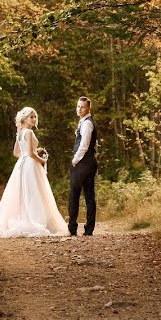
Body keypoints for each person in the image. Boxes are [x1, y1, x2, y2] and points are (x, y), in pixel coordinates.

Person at [0, 107, 69, 238]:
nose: (33, 119)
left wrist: (25, 156)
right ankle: (34, 220)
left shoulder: (20, 132)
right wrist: (42, 160)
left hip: (21, 164)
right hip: (30, 165)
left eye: (34, 117)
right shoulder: (28, 133)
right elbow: (32, 154)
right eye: (31, 117)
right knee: (33, 192)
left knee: (23, 192)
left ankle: (24, 218)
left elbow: (16, 153)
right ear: (25, 118)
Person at [68, 96, 97, 236]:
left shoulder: (87, 124)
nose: (79, 109)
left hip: (82, 163)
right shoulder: (85, 122)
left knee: (74, 195)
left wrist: (75, 160)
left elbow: (84, 145)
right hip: (89, 162)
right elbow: (93, 143)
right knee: (89, 196)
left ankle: (72, 229)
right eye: (78, 106)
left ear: (88, 108)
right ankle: (88, 229)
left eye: (82, 107)